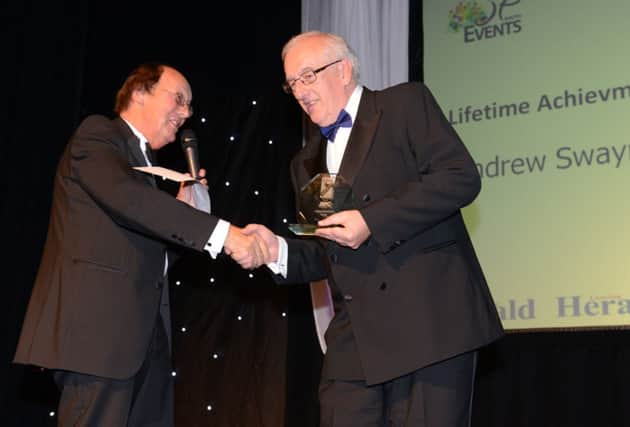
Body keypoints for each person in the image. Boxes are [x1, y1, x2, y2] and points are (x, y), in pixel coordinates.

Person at [245, 31, 505, 426]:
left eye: (307, 76)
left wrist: (371, 220)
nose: (299, 91)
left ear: (343, 69)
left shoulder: (404, 104)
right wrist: (275, 250)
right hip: (355, 341)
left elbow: (460, 177)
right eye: (292, 83)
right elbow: (325, 251)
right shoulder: (304, 162)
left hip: (429, 321)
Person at [13, 62, 267, 426]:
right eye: (179, 99)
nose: (186, 113)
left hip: (145, 343)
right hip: (99, 340)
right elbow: (129, 200)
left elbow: (145, 252)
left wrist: (182, 212)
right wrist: (222, 233)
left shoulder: (144, 171)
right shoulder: (99, 135)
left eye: (190, 107)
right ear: (138, 93)